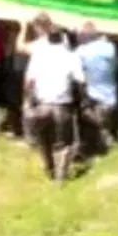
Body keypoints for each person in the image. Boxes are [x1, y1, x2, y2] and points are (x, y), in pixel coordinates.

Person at [23, 19, 86, 182]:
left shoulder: (39, 54)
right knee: (64, 142)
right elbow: (81, 80)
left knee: (44, 140)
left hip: (42, 104)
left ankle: (49, 168)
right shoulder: (71, 56)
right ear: (63, 37)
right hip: (62, 105)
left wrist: (28, 100)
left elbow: (29, 80)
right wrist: (82, 99)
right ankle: (61, 176)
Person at [75, 22, 118, 157]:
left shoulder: (81, 51)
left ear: (83, 36)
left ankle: (97, 152)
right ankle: (107, 152)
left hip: (92, 94)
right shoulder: (109, 48)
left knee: (94, 127)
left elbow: (78, 76)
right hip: (110, 94)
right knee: (105, 125)